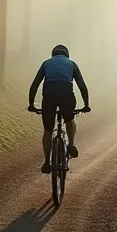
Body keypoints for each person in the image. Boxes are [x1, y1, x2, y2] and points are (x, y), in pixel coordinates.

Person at [27, 44, 91, 174]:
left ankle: (46, 162)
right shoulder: (71, 64)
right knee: (69, 118)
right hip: (66, 93)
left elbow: (35, 84)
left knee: (48, 129)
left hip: (49, 94)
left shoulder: (46, 63)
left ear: (53, 54)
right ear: (66, 55)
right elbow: (82, 85)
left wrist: (31, 104)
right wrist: (86, 104)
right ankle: (71, 144)